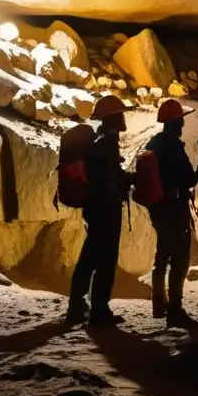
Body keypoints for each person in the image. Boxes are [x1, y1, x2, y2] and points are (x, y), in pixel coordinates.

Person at [66, 95, 132, 327]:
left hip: (97, 209)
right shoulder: (105, 145)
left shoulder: (102, 143)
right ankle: (98, 310)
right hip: (105, 210)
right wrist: (125, 180)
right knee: (104, 261)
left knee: (91, 257)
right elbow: (105, 180)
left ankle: (78, 306)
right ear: (113, 118)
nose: (124, 117)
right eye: (120, 114)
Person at [144, 99, 198, 327]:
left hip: (157, 209)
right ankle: (175, 310)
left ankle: (158, 304)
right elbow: (189, 179)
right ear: (176, 123)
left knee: (161, 256)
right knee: (179, 260)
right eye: (181, 120)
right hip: (174, 209)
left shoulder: (153, 143)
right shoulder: (174, 147)